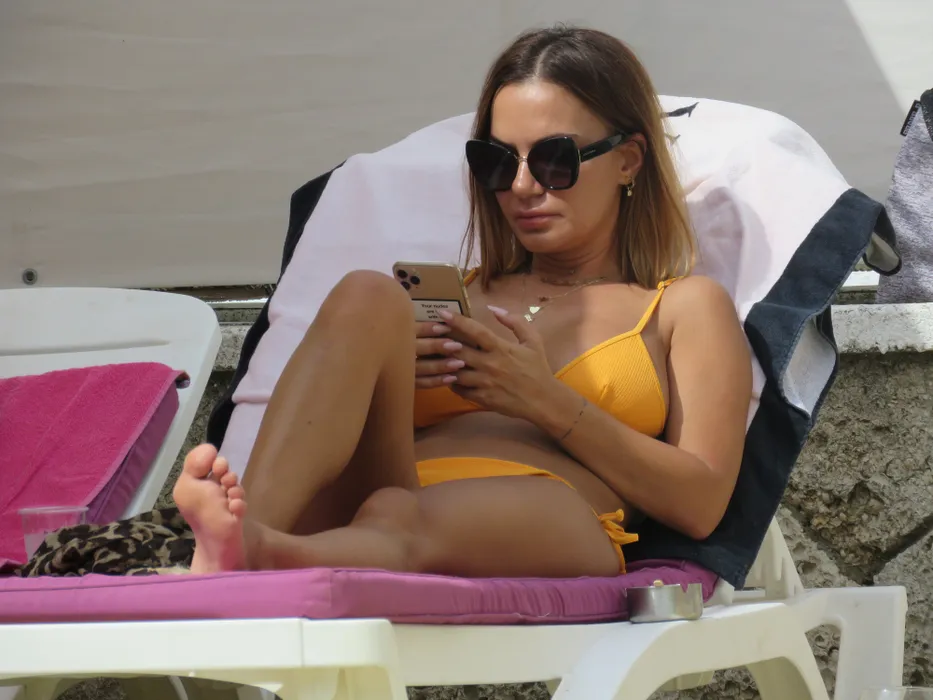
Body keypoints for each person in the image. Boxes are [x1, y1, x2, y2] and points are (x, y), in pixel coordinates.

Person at [174, 25, 752, 578]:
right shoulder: (453, 296)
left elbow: (700, 504)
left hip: (552, 513)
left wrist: (543, 399)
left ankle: (258, 552)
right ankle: (249, 533)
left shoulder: (683, 307)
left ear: (628, 159)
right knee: (366, 294)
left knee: (401, 514)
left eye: (555, 160)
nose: (522, 186)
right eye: (498, 163)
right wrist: (391, 380)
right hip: (384, 495)